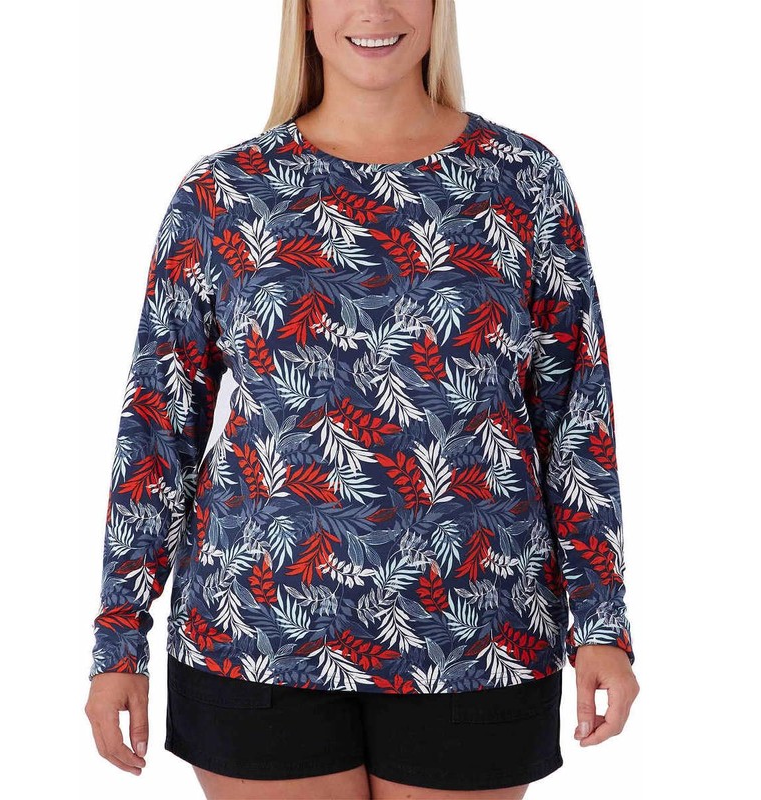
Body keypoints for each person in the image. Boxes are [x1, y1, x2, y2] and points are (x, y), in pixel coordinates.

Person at [84, 0, 640, 797]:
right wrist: (119, 638)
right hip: (256, 633)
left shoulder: (521, 180)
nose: (374, 9)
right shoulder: (225, 192)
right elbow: (158, 425)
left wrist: (603, 622)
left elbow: (577, 415)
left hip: (479, 634)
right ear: (305, 12)